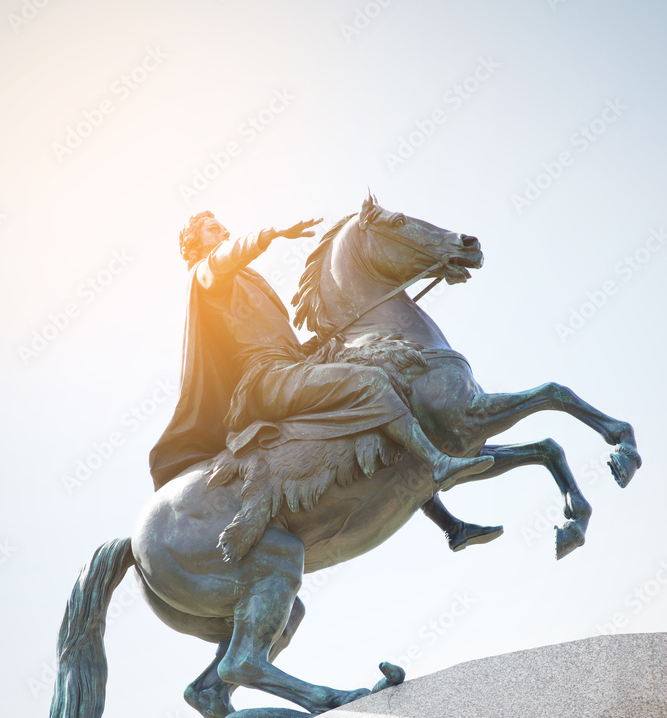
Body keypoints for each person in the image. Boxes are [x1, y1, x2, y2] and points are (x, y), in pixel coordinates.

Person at [149, 211, 502, 550]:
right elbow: (223, 260)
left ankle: (450, 525)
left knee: (386, 390)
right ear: (196, 245)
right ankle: (439, 463)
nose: (223, 232)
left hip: (289, 366)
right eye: (212, 229)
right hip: (266, 380)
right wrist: (270, 234)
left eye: (223, 227)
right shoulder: (205, 274)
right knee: (371, 384)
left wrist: (315, 345)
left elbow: (272, 337)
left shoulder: (248, 280)